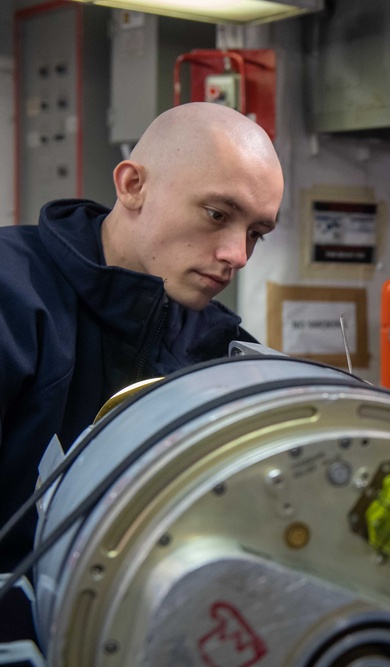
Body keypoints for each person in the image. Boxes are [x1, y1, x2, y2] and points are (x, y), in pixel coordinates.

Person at [0, 102, 284, 645]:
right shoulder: (13, 300)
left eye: (257, 233)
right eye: (218, 214)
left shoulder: (221, 355)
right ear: (132, 185)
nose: (238, 255)